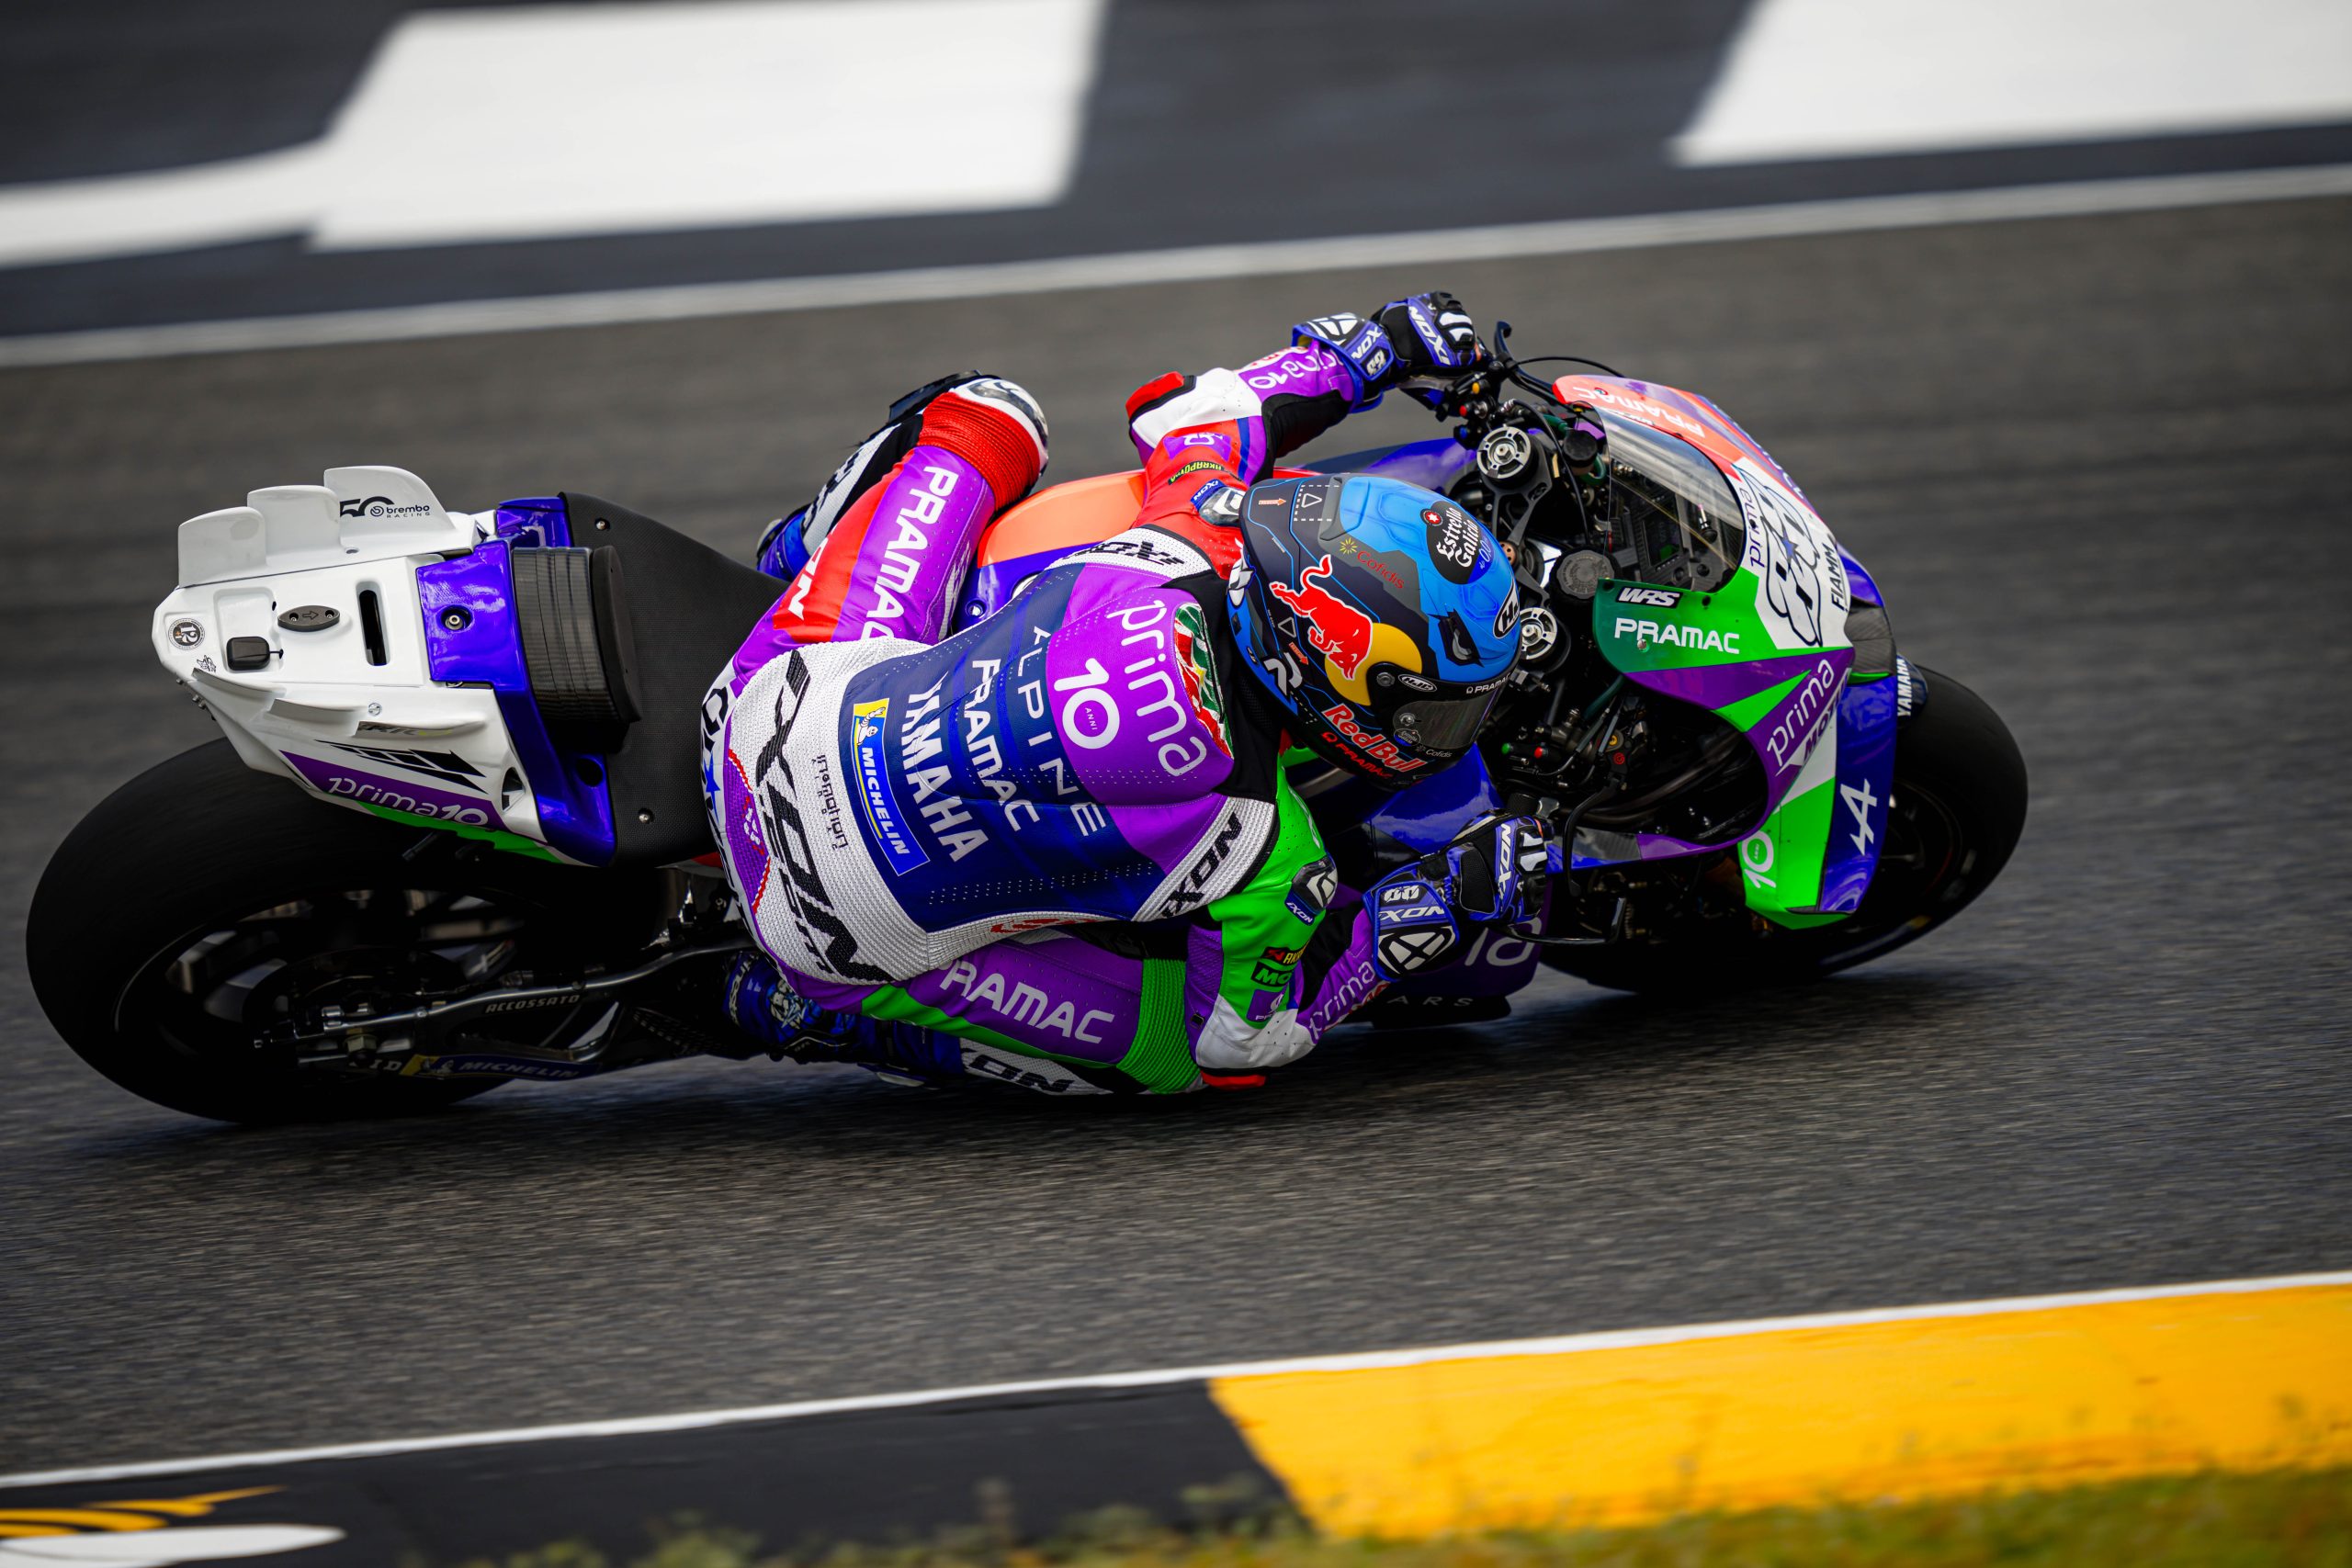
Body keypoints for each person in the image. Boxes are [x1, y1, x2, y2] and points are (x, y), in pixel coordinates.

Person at [702, 292, 1550, 1094]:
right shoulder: (1273, 851)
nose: (1448, 724)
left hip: (760, 709)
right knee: (1171, 1055)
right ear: (1326, 685)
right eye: (1434, 708)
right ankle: (793, 1009)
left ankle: (799, 559)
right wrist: (1420, 916)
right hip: (817, 927)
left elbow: (1182, 414)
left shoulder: (1193, 528)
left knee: (989, 414)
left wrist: (1374, 351)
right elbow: (1237, 1044)